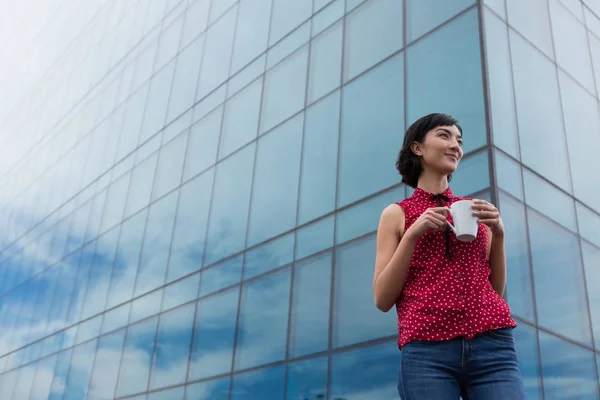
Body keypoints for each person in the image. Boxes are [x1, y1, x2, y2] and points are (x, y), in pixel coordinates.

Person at [373, 113, 525, 399]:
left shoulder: (475, 210)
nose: (455, 145)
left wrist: (499, 234)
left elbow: (495, 292)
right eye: (444, 135)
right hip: (427, 351)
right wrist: (413, 233)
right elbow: (382, 299)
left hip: (493, 345)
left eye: (459, 140)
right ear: (417, 148)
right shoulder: (397, 213)